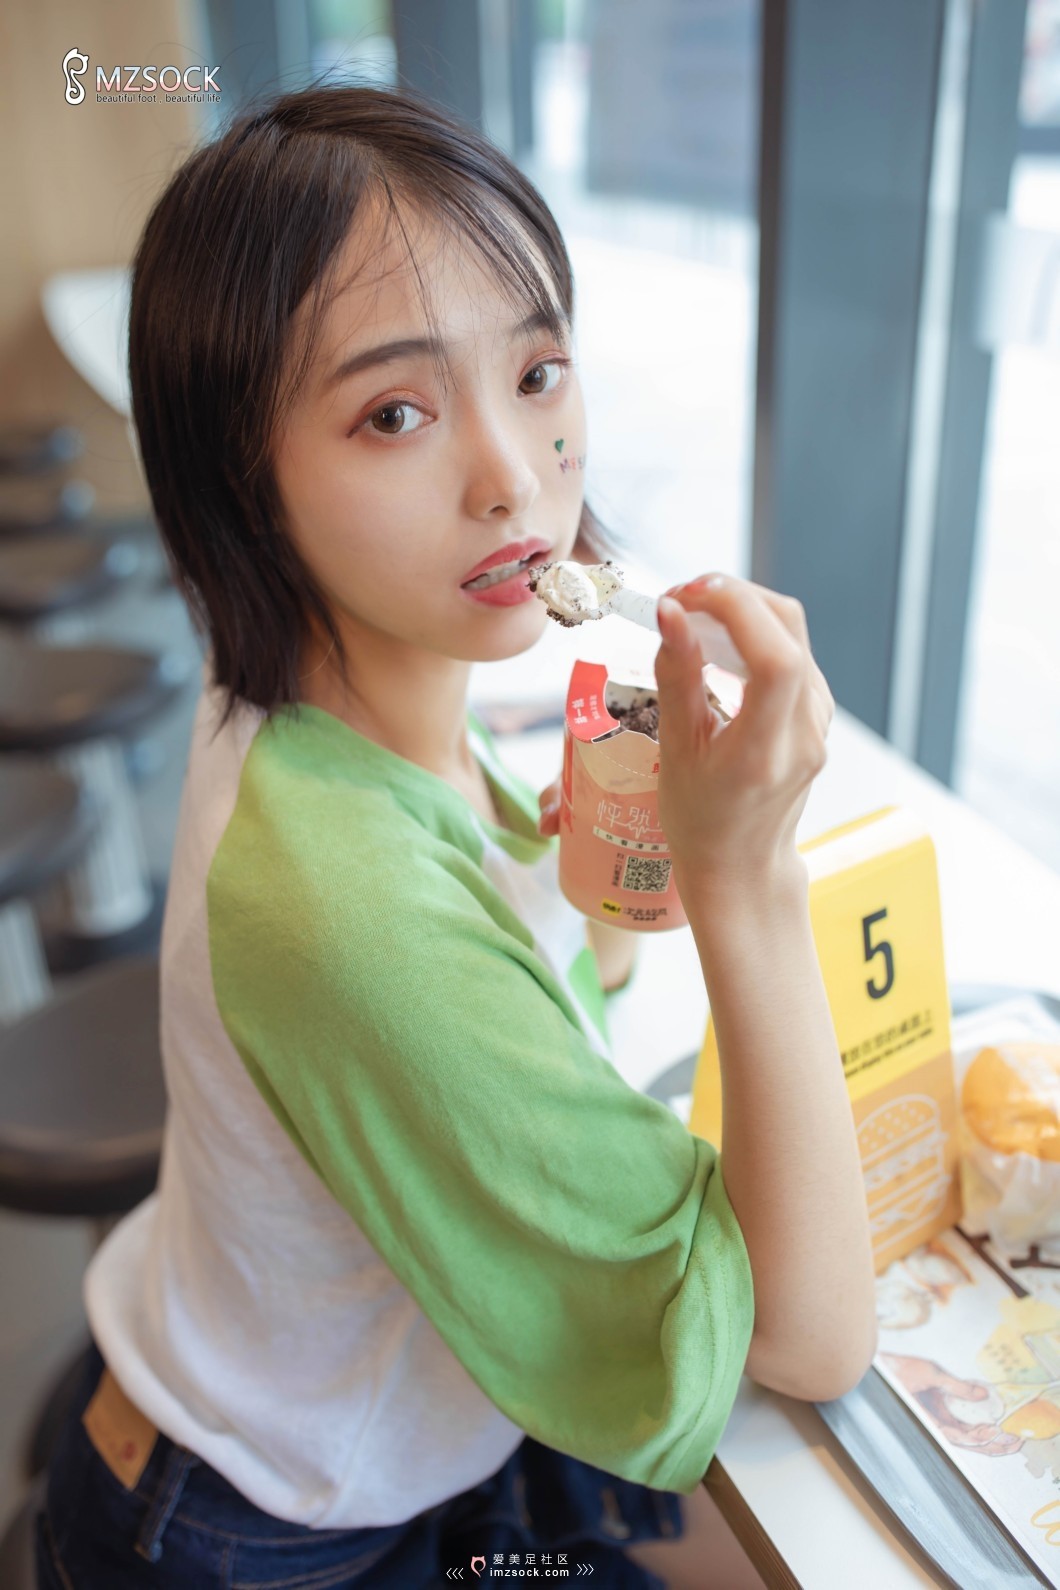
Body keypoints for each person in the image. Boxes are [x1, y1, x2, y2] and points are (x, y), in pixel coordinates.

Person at [35, 82, 877, 1589]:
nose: (513, 475)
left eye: (539, 370)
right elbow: (807, 1338)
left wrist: (611, 878)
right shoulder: (348, 901)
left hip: (290, 1405)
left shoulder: (326, 688)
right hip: (270, 1533)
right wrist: (750, 883)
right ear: (242, 484)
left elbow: (556, 969)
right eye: (396, 413)